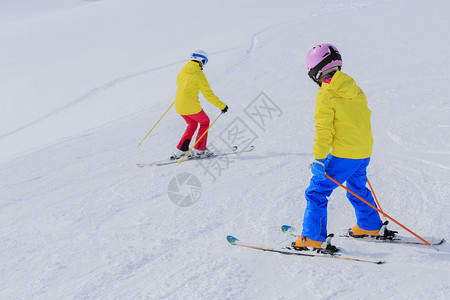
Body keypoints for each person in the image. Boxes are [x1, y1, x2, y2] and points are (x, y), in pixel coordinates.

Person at [293, 44, 396, 254]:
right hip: (364, 150)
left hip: (345, 153)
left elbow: (324, 130)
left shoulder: (326, 93)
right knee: (357, 187)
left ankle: (312, 238)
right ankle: (369, 226)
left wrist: (320, 159)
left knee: (316, 192)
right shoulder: (354, 87)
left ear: (315, 72)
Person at [171, 50, 228, 160]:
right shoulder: (198, 74)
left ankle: (181, 150)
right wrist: (222, 106)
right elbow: (208, 94)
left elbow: (179, 84)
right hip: (190, 106)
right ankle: (199, 150)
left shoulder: (183, 70)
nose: (204, 65)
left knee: (192, 124)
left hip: (179, 105)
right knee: (204, 122)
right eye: (204, 62)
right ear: (200, 60)